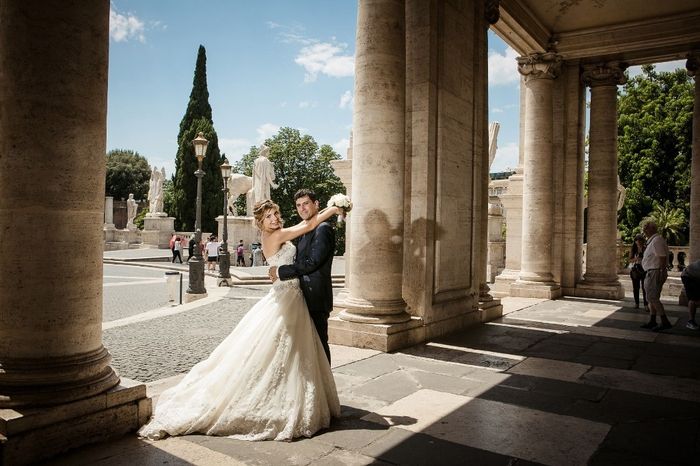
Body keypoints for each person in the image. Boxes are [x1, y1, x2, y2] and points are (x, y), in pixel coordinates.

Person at [138, 199, 343, 441]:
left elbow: (303, 226)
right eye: (268, 217)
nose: (275, 219)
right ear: (260, 222)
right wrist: (335, 207)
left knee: (292, 353)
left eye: (276, 213)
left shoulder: (278, 234)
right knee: (282, 350)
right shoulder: (274, 237)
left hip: (290, 295)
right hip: (286, 297)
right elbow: (307, 226)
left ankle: (291, 394)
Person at [269, 189, 335, 363]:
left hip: (316, 297)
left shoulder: (323, 228)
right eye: (298, 205)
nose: (302, 208)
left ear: (316, 204)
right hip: (300, 296)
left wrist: (280, 271)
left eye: (306, 203)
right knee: (304, 348)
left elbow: (312, 262)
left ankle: (326, 387)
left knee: (319, 345)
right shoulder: (305, 228)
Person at [639, 221, 671, 332]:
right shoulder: (653, 240)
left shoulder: (657, 240)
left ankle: (665, 321)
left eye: (646, 228)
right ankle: (652, 320)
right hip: (652, 272)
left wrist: (662, 272)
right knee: (650, 298)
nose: (644, 230)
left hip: (655, 272)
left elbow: (662, 257)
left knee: (653, 298)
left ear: (651, 229)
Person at [629, 235, 648, 310]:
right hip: (635, 269)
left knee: (645, 288)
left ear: (643, 241)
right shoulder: (633, 249)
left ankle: (646, 305)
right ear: (635, 241)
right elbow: (630, 260)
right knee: (636, 288)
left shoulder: (646, 249)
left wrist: (643, 258)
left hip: (644, 269)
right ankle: (636, 303)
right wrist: (636, 258)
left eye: (640, 240)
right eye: (637, 240)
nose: (639, 242)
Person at [681, 259, 700, 330]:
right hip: (688, 276)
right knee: (693, 299)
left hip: (695, 277)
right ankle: (690, 321)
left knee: (695, 299)